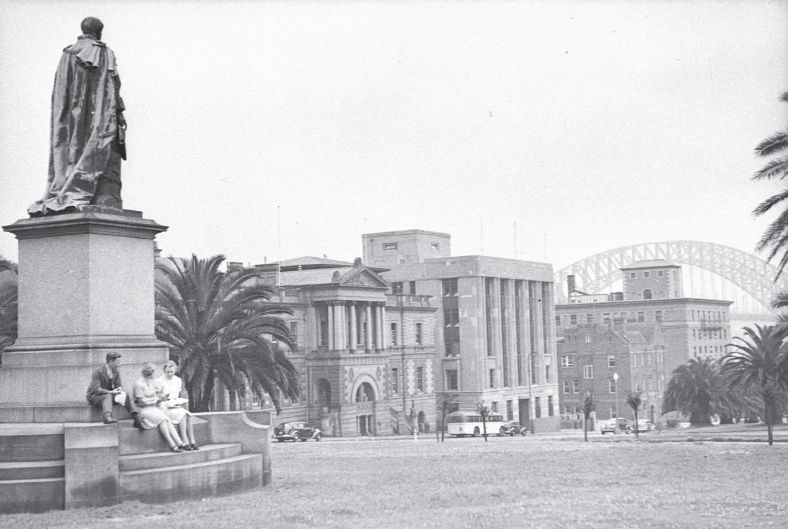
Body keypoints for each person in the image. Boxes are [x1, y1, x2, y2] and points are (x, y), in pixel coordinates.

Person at [28, 16, 127, 216]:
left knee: (71, 143)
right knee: (99, 141)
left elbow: (61, 93)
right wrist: (117, 115)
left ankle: (64, 184)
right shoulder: (102, 52)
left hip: (69, 121)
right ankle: (87, 189)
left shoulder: (66, 55)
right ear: (99, 31)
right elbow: (110, 90)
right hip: (96, 117)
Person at [132, 363, 188, 453]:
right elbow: (140, 402)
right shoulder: (139, 384)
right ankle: (172, 444)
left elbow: (161, 392)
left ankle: (179, 442)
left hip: (153, 408)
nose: (155, 375)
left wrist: (161, 397)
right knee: (163, 419)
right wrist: (155, 400)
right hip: (143, 410)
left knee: (166, 419)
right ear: (150, 372)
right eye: (154, 372)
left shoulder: (152, 382)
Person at [86, 352, 141, 426]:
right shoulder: (98, 371)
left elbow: (118, 385)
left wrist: (118, 390)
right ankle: (107, 417)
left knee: (125, 395)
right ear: (111, 362)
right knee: (108, 395)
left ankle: (136, 416)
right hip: (95, 396)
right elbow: (96, 389)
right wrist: (111, 392)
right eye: (118, 362)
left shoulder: (115, 371)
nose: (120, 364)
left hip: (108, 395)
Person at [157, 360, 199, 450]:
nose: (170, 374)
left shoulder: (177, 380)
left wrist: (179, 402)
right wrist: (162, 398)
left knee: (188, 415)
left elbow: (177, 395)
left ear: (175, 371)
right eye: (168, 372)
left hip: (175, 405)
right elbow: (157, 399)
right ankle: (185, 440)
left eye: (172, 372)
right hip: (165, 407)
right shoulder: (159, 381)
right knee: (183, 414)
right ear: (164, 371)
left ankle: (192, 441)